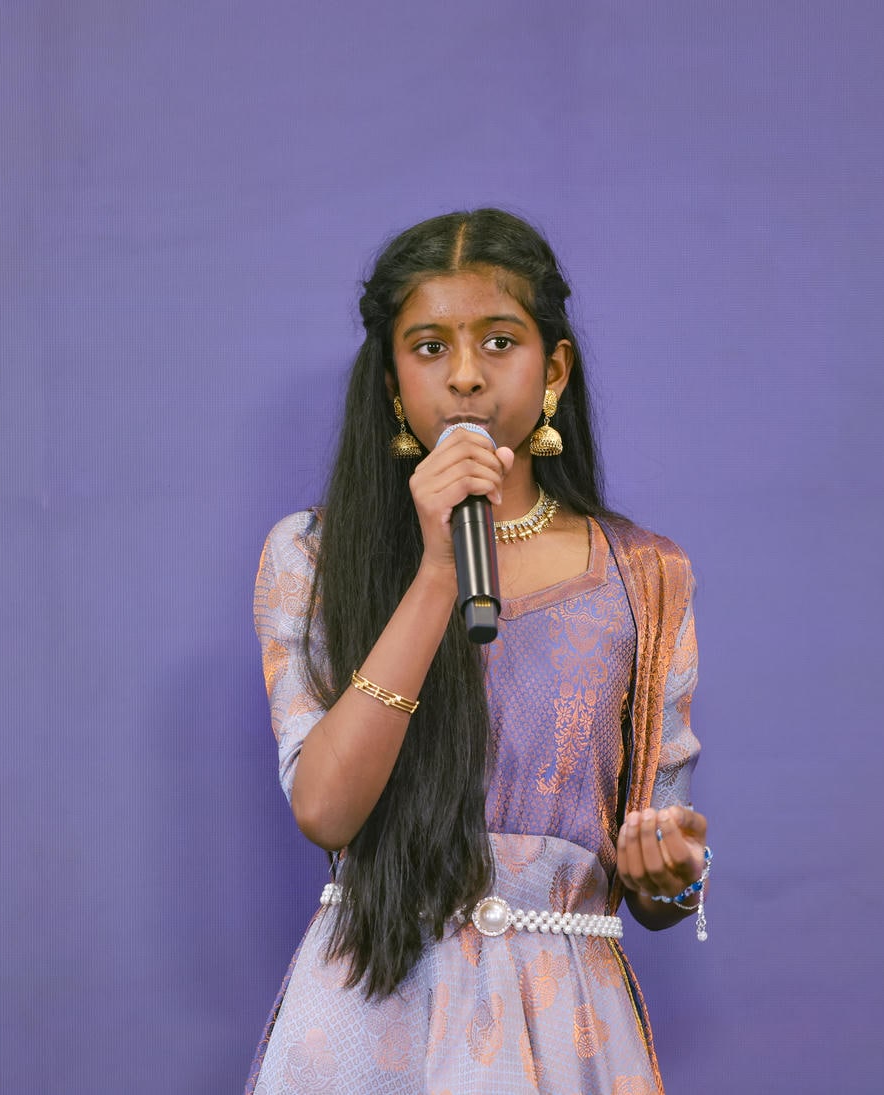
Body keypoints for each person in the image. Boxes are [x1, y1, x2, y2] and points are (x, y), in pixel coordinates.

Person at [246, 209, 709, 1095]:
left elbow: (659, 877)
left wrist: (674, 873)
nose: (464, 374)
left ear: (553, 369)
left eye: (499, 341)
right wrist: (435, 573)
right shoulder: (311, 557)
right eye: (428, 348)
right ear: (392, 381)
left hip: (564, 1027)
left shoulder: (645, 575)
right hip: (378, 1011)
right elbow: (325, 808)